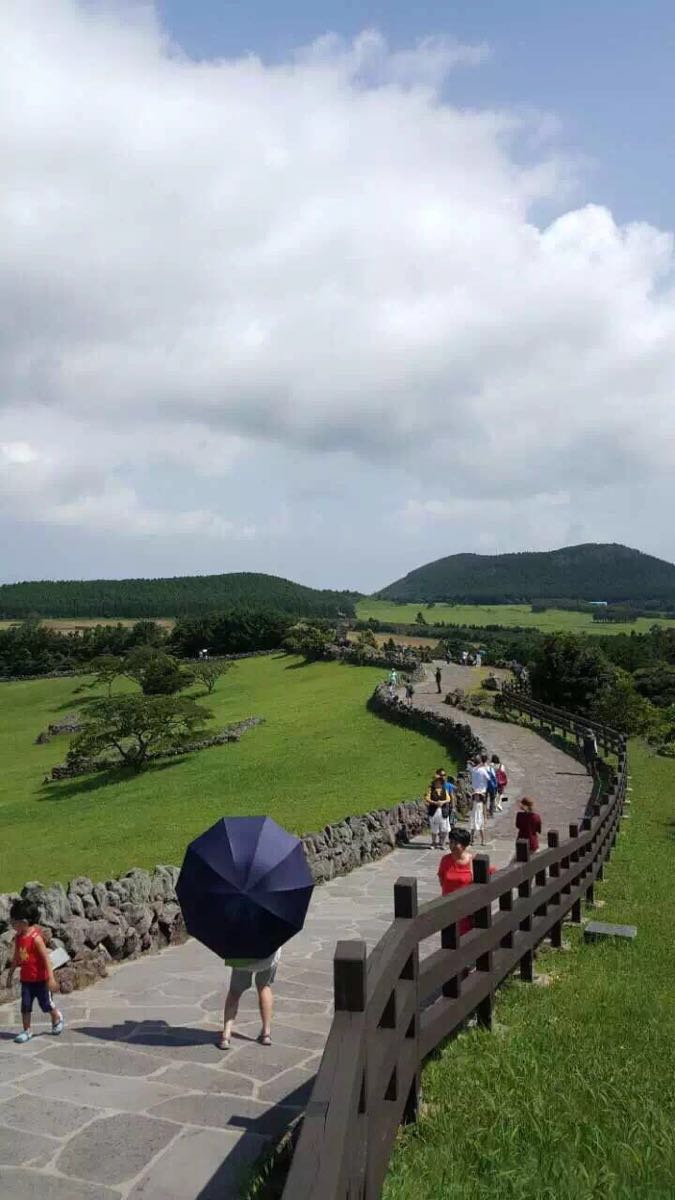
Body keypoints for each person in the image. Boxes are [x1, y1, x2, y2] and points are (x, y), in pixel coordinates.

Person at [6, 900, 64, 1044]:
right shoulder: (19, 937)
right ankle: (27, 1030)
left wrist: (51, 979)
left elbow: (46, 960)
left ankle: (56, 1017)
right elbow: (16, 957)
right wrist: (10, 974)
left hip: (41, 980)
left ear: (24, 922)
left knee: (46, 1005)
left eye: (14, 922)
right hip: (26, 980)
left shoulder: (36, 939)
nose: (12, 925)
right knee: (25, 1006)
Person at [220, 949, 280, 1049]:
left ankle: (226, 1035)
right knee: (264, 987)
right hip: (268, 957)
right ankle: (266, 1033)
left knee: (234, 992)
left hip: (242, 956)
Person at [438, 828, 495, 934]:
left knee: (467, 938)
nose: (452, 845)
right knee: (449, 937)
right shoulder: (445, 860)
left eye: (456, 843)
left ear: (464, 845)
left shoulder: (474, 861)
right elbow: (441, 879)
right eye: (451, 842)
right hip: (449, 908)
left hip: (466, 910)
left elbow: (494, 874)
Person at [469, 756, 490, 846]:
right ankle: (478, 840)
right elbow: (489, 778)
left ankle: (475, 840)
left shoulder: (473, 770)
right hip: (482, 791)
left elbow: (472, 768)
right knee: (476, 825)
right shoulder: (483, 770)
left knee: (476, 825)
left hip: (475, 791)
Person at [427, 778, 451, 849]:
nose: (438, 784)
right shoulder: (431, 790)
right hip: (434, 811)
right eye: (436, 782)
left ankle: (442, 843)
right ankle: (433, 843)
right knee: (434, 829)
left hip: (443, 811)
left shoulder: (444, 790)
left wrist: (442, 802)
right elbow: (427, 798)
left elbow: (448, 799)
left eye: (439, 782)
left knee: (444, 829)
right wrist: (435, 802)